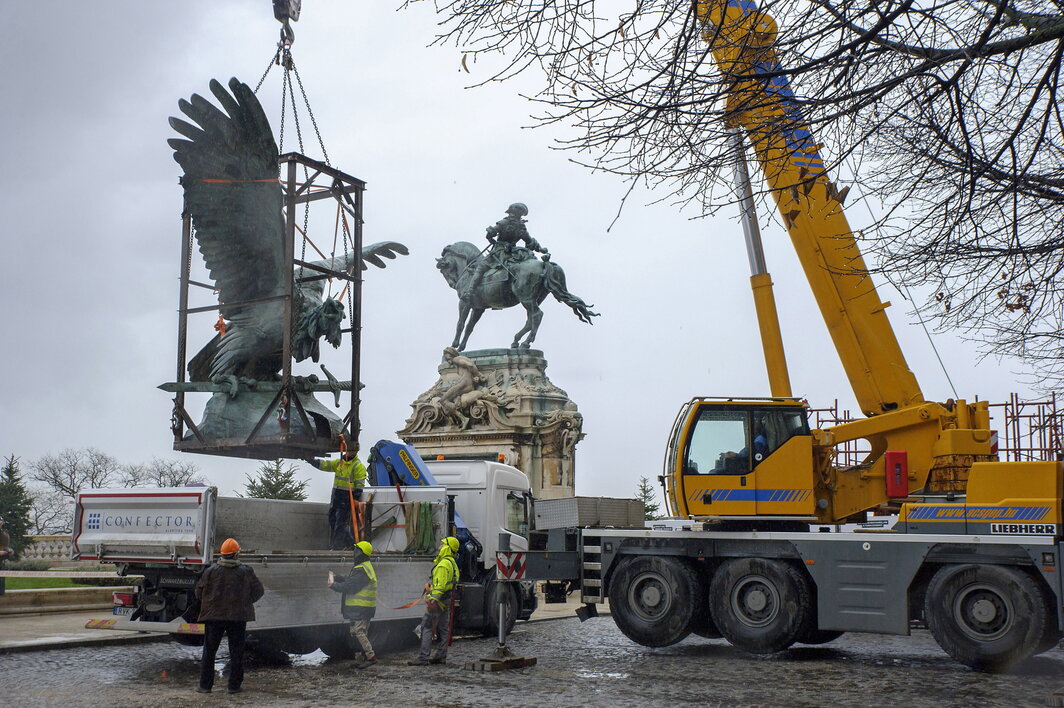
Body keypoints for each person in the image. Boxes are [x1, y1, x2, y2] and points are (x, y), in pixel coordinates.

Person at [195, 537, 264, 694]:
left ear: (223, 554)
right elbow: (259, 591)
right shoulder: (246, 571)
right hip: (237, 618)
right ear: (236, 554)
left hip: (213, 618)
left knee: (209, 651)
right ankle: (234, 686)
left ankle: (205, 686)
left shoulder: (210, 571)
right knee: (236, 652)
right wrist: (246, 602)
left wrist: (211, 603)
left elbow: (199, 592)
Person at [462, 203, 548, 298]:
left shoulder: (504, 223)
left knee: (481, 267)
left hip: (499, 252)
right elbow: (530, 242)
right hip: (514, 253)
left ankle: (469, 292)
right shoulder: (522, 227)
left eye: (511, 213)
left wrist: (492, 240)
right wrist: (541, 249)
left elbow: (490, 233)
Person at [407, 536, 460, 666]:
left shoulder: (443, 565)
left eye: (442, 544)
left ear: (447, 547)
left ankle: (423, 658)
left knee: (426, 627)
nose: (439, 547)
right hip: (446, 599)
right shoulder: (452, 562)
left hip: (438, 601)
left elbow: (440, 586)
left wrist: (432, 599)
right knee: (443, 628)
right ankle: (441, 656)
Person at [328, 540, 378, 669]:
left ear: (361, 553)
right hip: (363, 608)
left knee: (358, 632)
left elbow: (351, 586)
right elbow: (351, 580)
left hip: (361, 608)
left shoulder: (362, 569)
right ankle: (361, 660)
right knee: (359, 632)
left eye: (356, 550)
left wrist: (334, 585)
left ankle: (371, 657)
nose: (354, 553)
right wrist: (338, 577)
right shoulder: (363, 567)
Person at [315, 451, 368, 550]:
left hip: (347, 497)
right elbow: (325, 465)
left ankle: (337, 547)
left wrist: (355, 498)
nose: (349, 453)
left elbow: (360, 484)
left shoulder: (358, 466)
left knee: (340, 523)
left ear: (355, 452)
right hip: (336, 496)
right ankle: (351, 544)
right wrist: (312, 461)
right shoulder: (339, 462)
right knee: (333, 520)